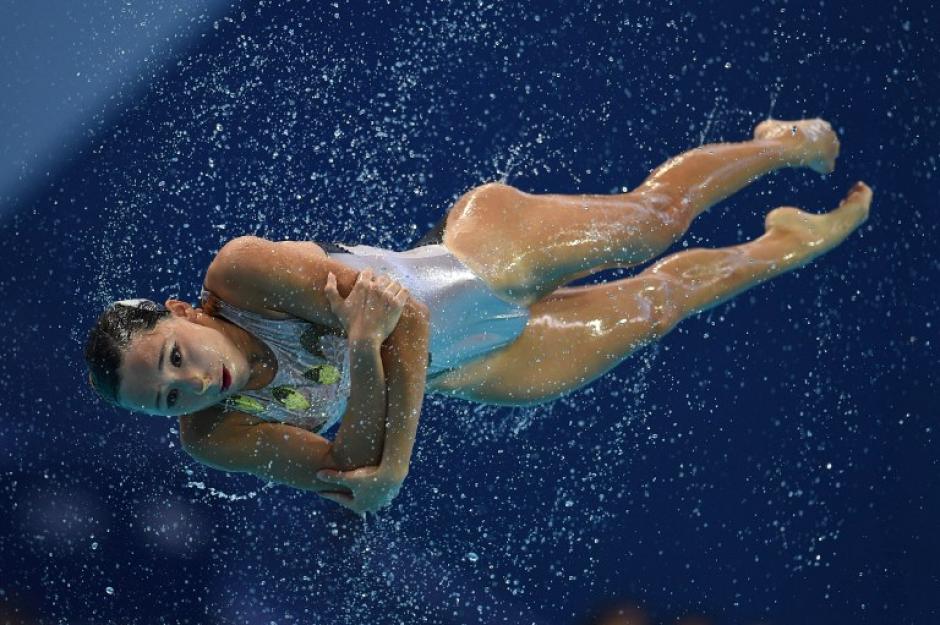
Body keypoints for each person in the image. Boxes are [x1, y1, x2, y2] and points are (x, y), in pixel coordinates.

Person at [84, 118, 871, 514]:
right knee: (661, 304)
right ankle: (787, 243)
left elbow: (408, 332)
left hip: (484, 257)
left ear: (185, 310)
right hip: (483, 365)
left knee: (656, 219)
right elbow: (342, 464)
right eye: (165, 397)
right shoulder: (215, 438)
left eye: (175, 356)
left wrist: (391, 464)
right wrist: (364, 365)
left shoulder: (242, 272)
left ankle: (776, 146)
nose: (188, 384)